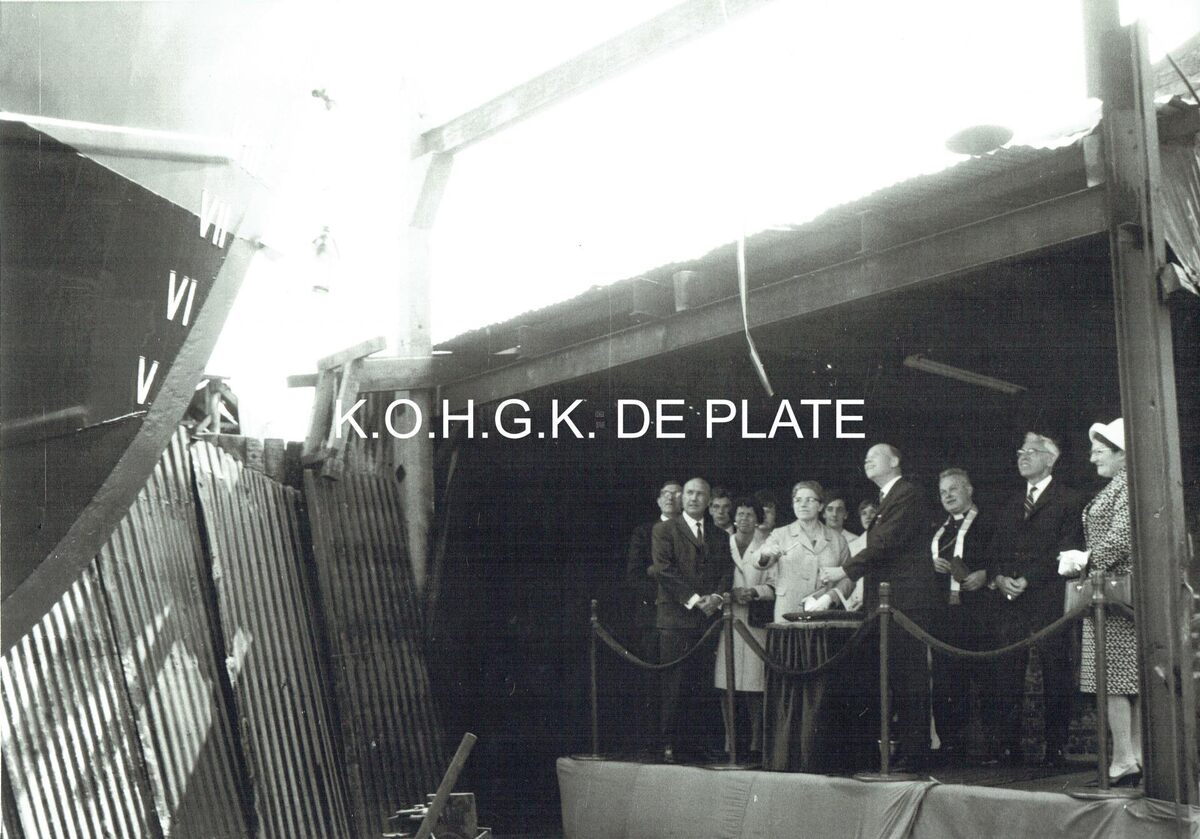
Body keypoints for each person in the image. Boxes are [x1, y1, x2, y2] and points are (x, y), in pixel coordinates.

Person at [986, 432, 1085, 767]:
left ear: (1050, 459)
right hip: (1009, 600)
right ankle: (1009, 747)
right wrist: (999, 577)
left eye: (1031, 451)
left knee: (1055, 670)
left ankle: (1055, 748)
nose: (1023, 456)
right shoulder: (1010, 503)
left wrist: (1028, 578)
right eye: (1020, 451)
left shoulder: (1069, 500)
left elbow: (1067, 548)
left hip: (1048, 599)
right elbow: (995, 550)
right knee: (1007, 671)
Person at [840, 444, 939, 770]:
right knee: (896, 678)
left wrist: (845, 571)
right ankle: (905, 751)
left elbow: (886, 542)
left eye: (875, 455)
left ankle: (914, 754)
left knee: (909, 679)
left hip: (905, 604)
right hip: (890, 603)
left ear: (895, 460)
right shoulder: (889, 497)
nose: (866, 460)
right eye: (865, 457)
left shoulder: (907, 494)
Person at [651, 477, 733, 762]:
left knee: (702, 684)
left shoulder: (720, 535)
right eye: (689, 493)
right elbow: (664, 570)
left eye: (700, 494)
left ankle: (696, 744)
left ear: (708, 501)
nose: (694, 498)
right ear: (682, 497)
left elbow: (727, 571)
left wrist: (717, 598)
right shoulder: (664, 530)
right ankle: (669, 744)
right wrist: (696, 600)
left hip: (707, 621)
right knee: (674, 684)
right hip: (676, 620)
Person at [1078, 419, 1141, 785]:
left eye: (1099, 452)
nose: (1092, 458)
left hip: (1114, 596)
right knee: (1126, 681)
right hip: (1117, 594)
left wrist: (1083, 561)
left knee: (1113, 680)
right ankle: (1134, 758)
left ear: (1122, 454)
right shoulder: (1121, 485)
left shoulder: (1125, 487)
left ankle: (1124, 760)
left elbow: (1121, 538)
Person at [928, 468, 997, 763]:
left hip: (980, 613)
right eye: (943, 492)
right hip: (945, 615)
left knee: (985, 678)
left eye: (953, 489)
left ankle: (991, 747)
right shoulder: (938, 528)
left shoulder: (989, 522)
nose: (947, 496)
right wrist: (932, 565)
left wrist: (986, 574)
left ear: (969, 489)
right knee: (946, 681)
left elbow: (1003, 556)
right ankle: (951, 746)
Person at [713, 498, 775, 757]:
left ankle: (756, 744)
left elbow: (775, 583)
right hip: (726, 619)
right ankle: (730, 742)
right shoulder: (722, 543)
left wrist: (755, 592)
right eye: (740, 514)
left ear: (758, 519)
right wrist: (729, 594)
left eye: (750, 515)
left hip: (754, 621)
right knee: (725, 682)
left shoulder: (767, 546)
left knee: (754, 685)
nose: (744, 519)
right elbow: (713, 578)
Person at [623, 480, 681, 752]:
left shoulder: (693, 534)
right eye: (666, 494)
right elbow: (635, 575)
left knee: (680, 681)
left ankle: (677, 741)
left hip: (684, 618)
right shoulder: (644, 532)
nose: (671, 498)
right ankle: (651, 743)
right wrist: (664, 592)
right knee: (651, 680)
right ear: (658, 500)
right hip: (652, 616)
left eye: (677, 494)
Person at [758, 481, 854, 619]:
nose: (803, 504)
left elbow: (849, 577)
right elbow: (760, 562)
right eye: (798, 500)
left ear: (820, 506)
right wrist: (765, 554)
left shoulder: (837, 540)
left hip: (823, 611)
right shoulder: (780, 534)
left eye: (810, 500)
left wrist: (831, 597)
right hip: (787, 611)